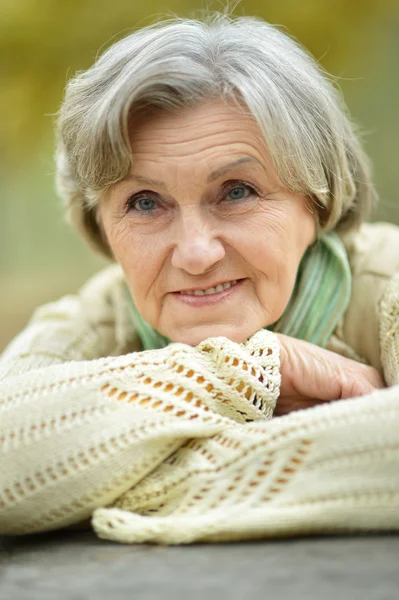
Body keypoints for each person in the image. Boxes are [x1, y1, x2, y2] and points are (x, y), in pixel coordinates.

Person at [1, 13, 399, 545]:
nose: (195, 253)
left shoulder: (385, 281)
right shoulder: (99, 317)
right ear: (101, 227)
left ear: (318, 200)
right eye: (145, 203)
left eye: (237, 191)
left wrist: (115, 475)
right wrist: (251, 373)